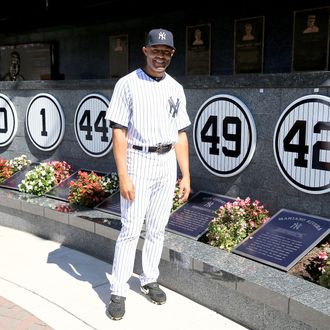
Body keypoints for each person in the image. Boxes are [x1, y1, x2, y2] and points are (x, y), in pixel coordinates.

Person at [105, 28, 191, 321]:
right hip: (138, 159)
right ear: (145, 50)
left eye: (166, 52)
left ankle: (149, 278)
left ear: (172, 54)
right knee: (130, 229)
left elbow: (181, 134)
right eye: (156, 50)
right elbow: (118, 131)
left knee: (157, 227)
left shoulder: (176, 87)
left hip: (166, 162)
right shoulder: (127, 84)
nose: (160, 56)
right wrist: (124, 176)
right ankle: (118, 290)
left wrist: (186, 175)